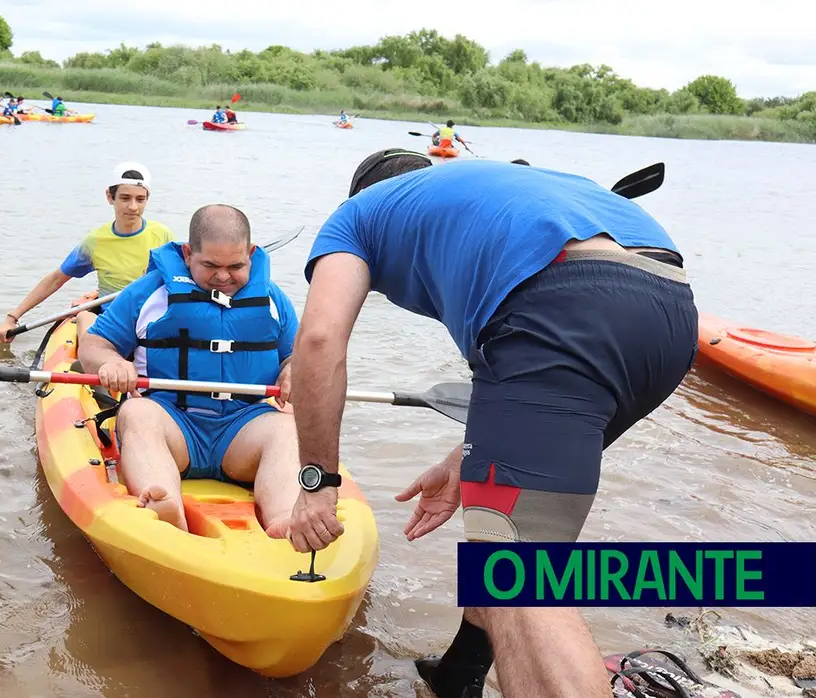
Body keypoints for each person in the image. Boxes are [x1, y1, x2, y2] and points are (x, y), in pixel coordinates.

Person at [284, 151, 698, 698]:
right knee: (515, 536)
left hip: (562, 307)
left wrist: (317, 484)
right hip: (669, 315)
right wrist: (468, 457)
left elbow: (317, 341)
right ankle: (459, 677)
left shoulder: (359, 214)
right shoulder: (508, 183)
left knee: (517, 570)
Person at [77, 205, 303, 535]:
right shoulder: (149, 292)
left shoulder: (272, 299)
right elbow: (94, 345)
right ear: (187, 254)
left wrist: (294, 370)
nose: (224, 277)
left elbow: (298, 356)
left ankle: (284, 517)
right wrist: (112, 362)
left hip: (242, 429)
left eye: (236, 266)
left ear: (251, 255)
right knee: (136, 412)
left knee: (287, 428)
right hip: (171, 423)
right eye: (210, 265)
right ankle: (163, 503)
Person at [0, 163, 175, 345]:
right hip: (113, 319)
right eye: (125, 198)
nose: (133, 207)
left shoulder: (162, 235)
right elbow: (57, 278)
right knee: (84, 316)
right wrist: (12, 317)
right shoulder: (95, 241)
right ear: (110, 197)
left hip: (151, 318)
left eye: (140, 199)